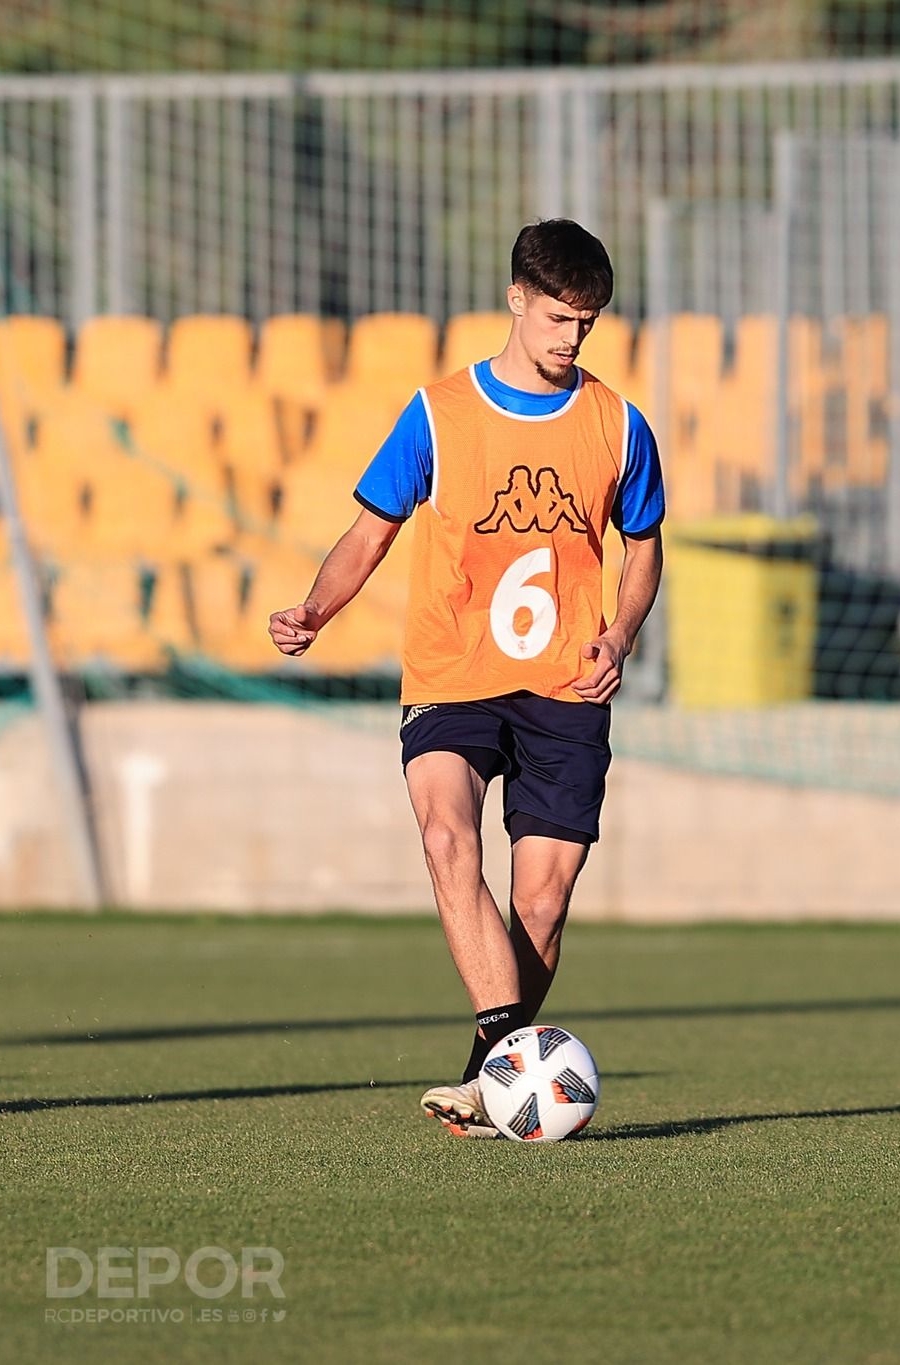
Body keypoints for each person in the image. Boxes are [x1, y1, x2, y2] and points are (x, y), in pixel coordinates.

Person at [268, 219, 665, 1139]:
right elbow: (370, 532)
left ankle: (487, 1082)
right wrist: (316, 612)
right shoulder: (438, 414)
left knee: (542, 903)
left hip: (567, 686)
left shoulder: (618, 425)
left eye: (590, 322)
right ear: (518, 299)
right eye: (561, 317)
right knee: (448, 835)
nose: (573, 337)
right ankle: (508, 1055)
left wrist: (623, 633)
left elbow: (643, 549)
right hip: (453, 672)